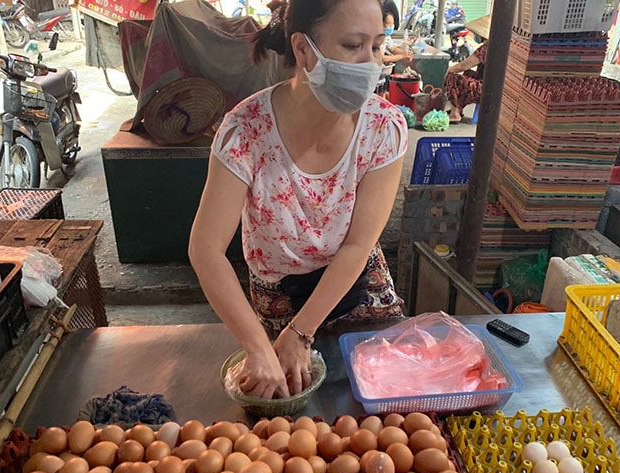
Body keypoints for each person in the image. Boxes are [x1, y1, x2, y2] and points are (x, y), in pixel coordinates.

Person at [189, 0, 408, 400]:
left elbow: (359, 244)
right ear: (304, 50)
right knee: (286, 402)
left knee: (374, 401)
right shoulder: (246, 131)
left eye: (376, 46)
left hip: (354, 281)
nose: (369, 64)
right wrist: (259, 345)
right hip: (278, 291)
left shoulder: (384, 128)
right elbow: (206, 250)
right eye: (352, 45)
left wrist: (302, 333)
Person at [444, 14, 490, 124]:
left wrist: (448, 71)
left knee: (452, 77)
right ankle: (458, 109)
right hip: (492, 87)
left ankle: (455, 113)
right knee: (468, 74)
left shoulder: (485, 49)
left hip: (485, 89)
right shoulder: (497, 46)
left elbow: (462, 66)